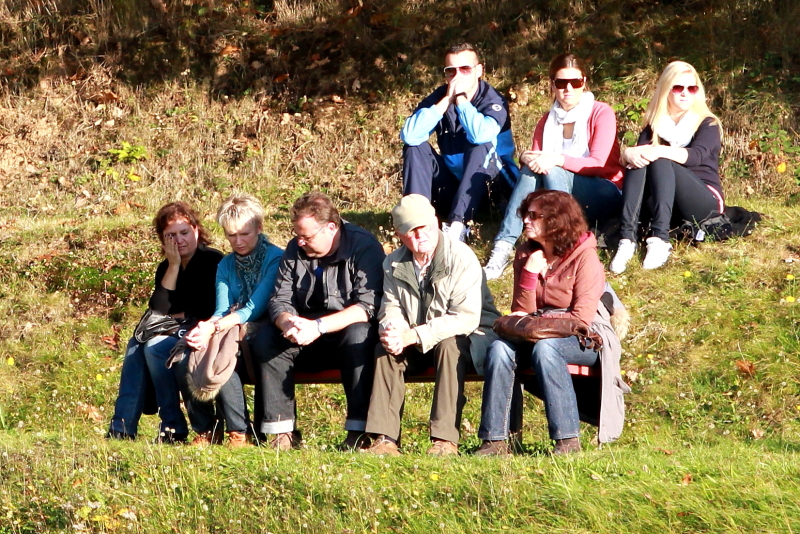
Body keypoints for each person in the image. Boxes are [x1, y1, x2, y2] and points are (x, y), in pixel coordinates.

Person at [476, 190, 625, 456]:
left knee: (547, 348)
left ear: (556, 221)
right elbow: (522, 311)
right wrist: (530, 274)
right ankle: (495, 441)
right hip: (537, 332)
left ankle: (567, 441)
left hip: (585, 335)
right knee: (499, 349)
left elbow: (581, 318)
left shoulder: (585, 257)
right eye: (525, 214)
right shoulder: (526, 254)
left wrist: (540, 323)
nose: (526, 220)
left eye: (534, 215)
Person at [365, 194, 501, 456]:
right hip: (417, 337)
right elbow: (390, 306)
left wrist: (413, 335)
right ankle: (385, 439)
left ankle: (445, 440)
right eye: (411, 231)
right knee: (384, 350)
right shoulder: (392, 262)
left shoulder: (461, 257)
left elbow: (466, 318)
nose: (420, 236)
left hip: (471, 336)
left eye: (424, 227)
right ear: (399, 235)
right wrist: (393, 329)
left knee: (449, 346)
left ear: (436, 222)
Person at [484, 53, 624, 280]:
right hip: (558, 188)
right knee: (532, 171)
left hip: (603, 190)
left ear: (584, 83)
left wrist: (558, 159)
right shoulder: (547, 120)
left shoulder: (601, 112)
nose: (568, 88)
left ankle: (564, 247)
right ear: (552, 84)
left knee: (553, 168)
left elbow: (598, 164)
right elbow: (537, 161)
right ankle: (503, 246)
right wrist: (526, 157)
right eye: (561, 83)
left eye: (575, 82)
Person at [262, 192, 385, 451]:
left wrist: (319, 326)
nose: (300, 241)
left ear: (331, 227)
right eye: (298, 235)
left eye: (307, 237)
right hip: (304, 333)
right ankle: (281, 432)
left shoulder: (364, 246)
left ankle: (359, 432)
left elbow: (368, 306)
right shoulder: (295, 249)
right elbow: (279, 299)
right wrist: (287, 323)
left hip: (344, 334)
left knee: (360, 334)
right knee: (267, 338)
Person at [108, 202, 223, 443]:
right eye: (171, 235)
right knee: (136, 345)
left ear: (196, 231)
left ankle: (172, 426)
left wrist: (179, 314)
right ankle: (122, 427)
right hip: (174, 328)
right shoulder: (166, 267)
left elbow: (205, 308)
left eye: (184, 232)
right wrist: (173, 266)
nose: (179, 240)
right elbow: (159, 309)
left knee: (154, 348)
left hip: (204, 329)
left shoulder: (212, 260)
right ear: (162, 240)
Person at [177, 194, 283, 447]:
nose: (238, 241)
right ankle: (206, 429)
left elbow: (254, 308)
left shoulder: (276, 258)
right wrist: (205, 329)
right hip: (231, 326)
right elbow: (221, 309)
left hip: (267, 328)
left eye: (244, 234)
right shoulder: (225, 264)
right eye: (231, 235)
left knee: (224, 355)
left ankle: (239, 432)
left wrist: (214, 327)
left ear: (259, 228)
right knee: (186, 355)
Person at [609, 61, 724, 273]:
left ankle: (660, 239)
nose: (685, 93)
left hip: (704, 200)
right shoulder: (655, 124)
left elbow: (696, 156)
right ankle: (627, 239)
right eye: (678, 87)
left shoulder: (708, 123)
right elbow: (640, 155)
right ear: (666, 90)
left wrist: (659, 150)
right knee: (639, 159)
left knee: (659, 157)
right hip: (665, 199)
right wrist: (628, 153)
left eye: (692, 88)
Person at [401, 42, 519, 243]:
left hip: (493, 186)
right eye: (451, 71)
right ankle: (417, 221)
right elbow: (410, 135)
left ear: (479, 71)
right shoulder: (440, 97)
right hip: (455, 187)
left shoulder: (493, 100)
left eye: (465, 69)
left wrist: (462, 101)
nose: (457, 76)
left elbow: (481, 135)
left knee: (480, 144)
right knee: (415, 148)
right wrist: (447, 100)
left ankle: (458, 227)